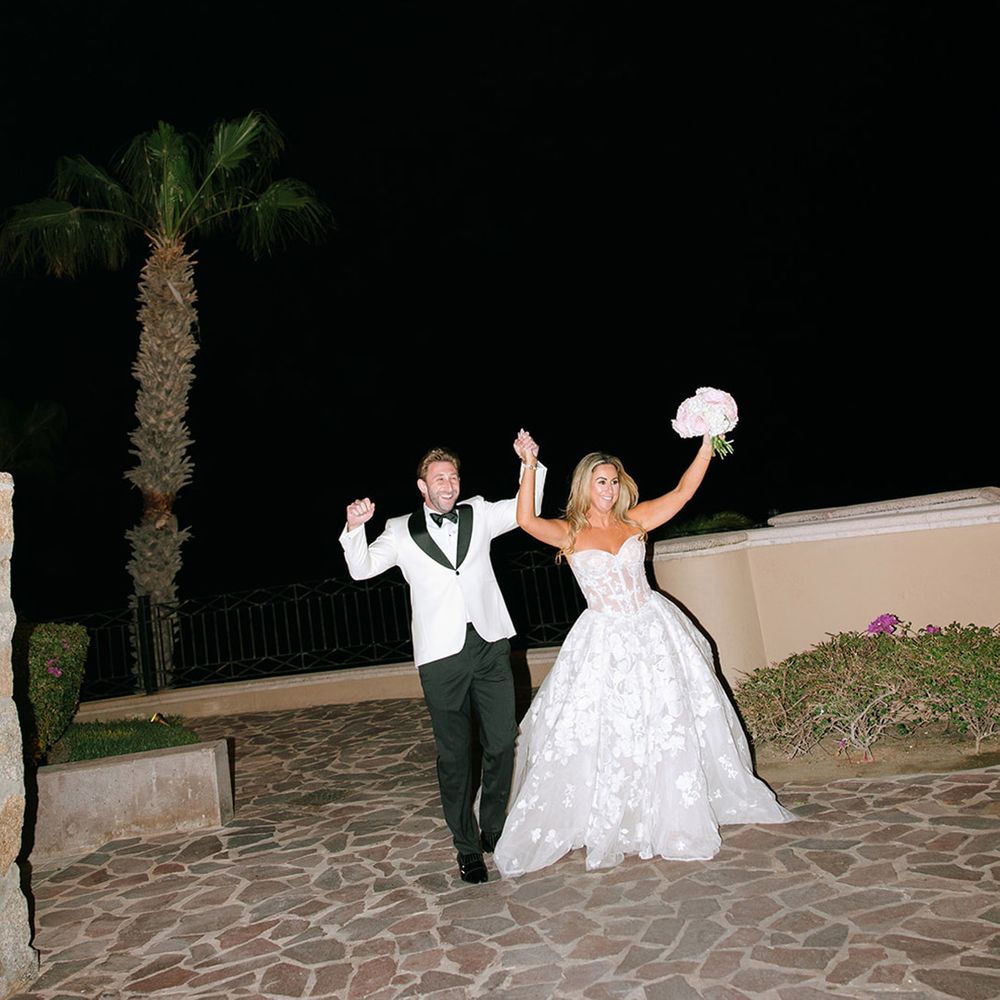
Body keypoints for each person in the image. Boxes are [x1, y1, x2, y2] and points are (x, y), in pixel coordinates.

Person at [494, 434, 795, 876]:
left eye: (614, 481)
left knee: (665, 718)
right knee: (607, 724)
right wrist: (528, 463)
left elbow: (683, 492)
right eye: (601, 482)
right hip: (603, 638)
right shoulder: (570, 532)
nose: (609, 489)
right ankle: (617, 810)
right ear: (584, 486)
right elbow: (525, 519)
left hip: (653, 629)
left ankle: (669, 807)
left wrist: (707, 443)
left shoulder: (634, 520)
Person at [340, 433, 545, 884]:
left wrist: (530, 463)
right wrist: (355, 528)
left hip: (489, 643)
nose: (448, 484)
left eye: (452, 476)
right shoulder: (399, 530)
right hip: (440, 658)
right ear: (422, 486)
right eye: (439, 478)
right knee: (454, 756)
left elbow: (525, 509)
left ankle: (493, 826)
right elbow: (361, 569)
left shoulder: (478, 512)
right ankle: (466, 847)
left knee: (500, 741)